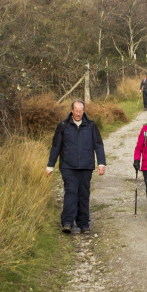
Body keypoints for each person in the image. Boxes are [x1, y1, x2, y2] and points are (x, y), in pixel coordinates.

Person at [46, 100, 107, 234]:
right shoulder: (63, 126)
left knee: (84, 194)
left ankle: (84, 224)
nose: (78, 113)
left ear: (83, 111)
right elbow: (56, 147)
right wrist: (50, 165)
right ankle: (67, 222)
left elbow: (98, 145)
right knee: (71, 192)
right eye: (76, 110)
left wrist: (101, 163)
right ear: (71, 110)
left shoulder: (91, 126)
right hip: (68, 166)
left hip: (86, 166)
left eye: (81, 111)